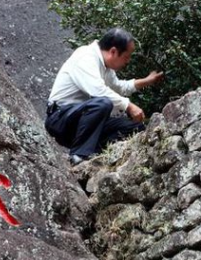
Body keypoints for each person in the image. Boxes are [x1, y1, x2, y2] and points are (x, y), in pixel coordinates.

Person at [45, 28, 164, 166]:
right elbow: (98, 91)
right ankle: (78, 156)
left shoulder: (106, 67)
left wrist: (147, 80)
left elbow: (119, 87)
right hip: (60, 119)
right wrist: (129, 106)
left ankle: (95, 155)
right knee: (102, 104)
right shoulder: (85, 57)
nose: (128, 61)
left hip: (81, 123)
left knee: (134, 127)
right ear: (113, 51)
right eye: (126, 56)